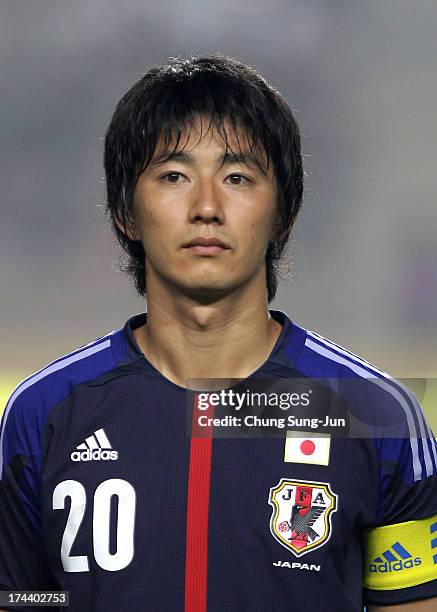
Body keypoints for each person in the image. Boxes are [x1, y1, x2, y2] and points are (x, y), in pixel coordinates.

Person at [0, 54, 436, 612]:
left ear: (284, 212)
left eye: (237, 178)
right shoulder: (44, 414)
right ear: (123, 212)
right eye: (174, 176)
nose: (206, 207)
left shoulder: (378, 417)